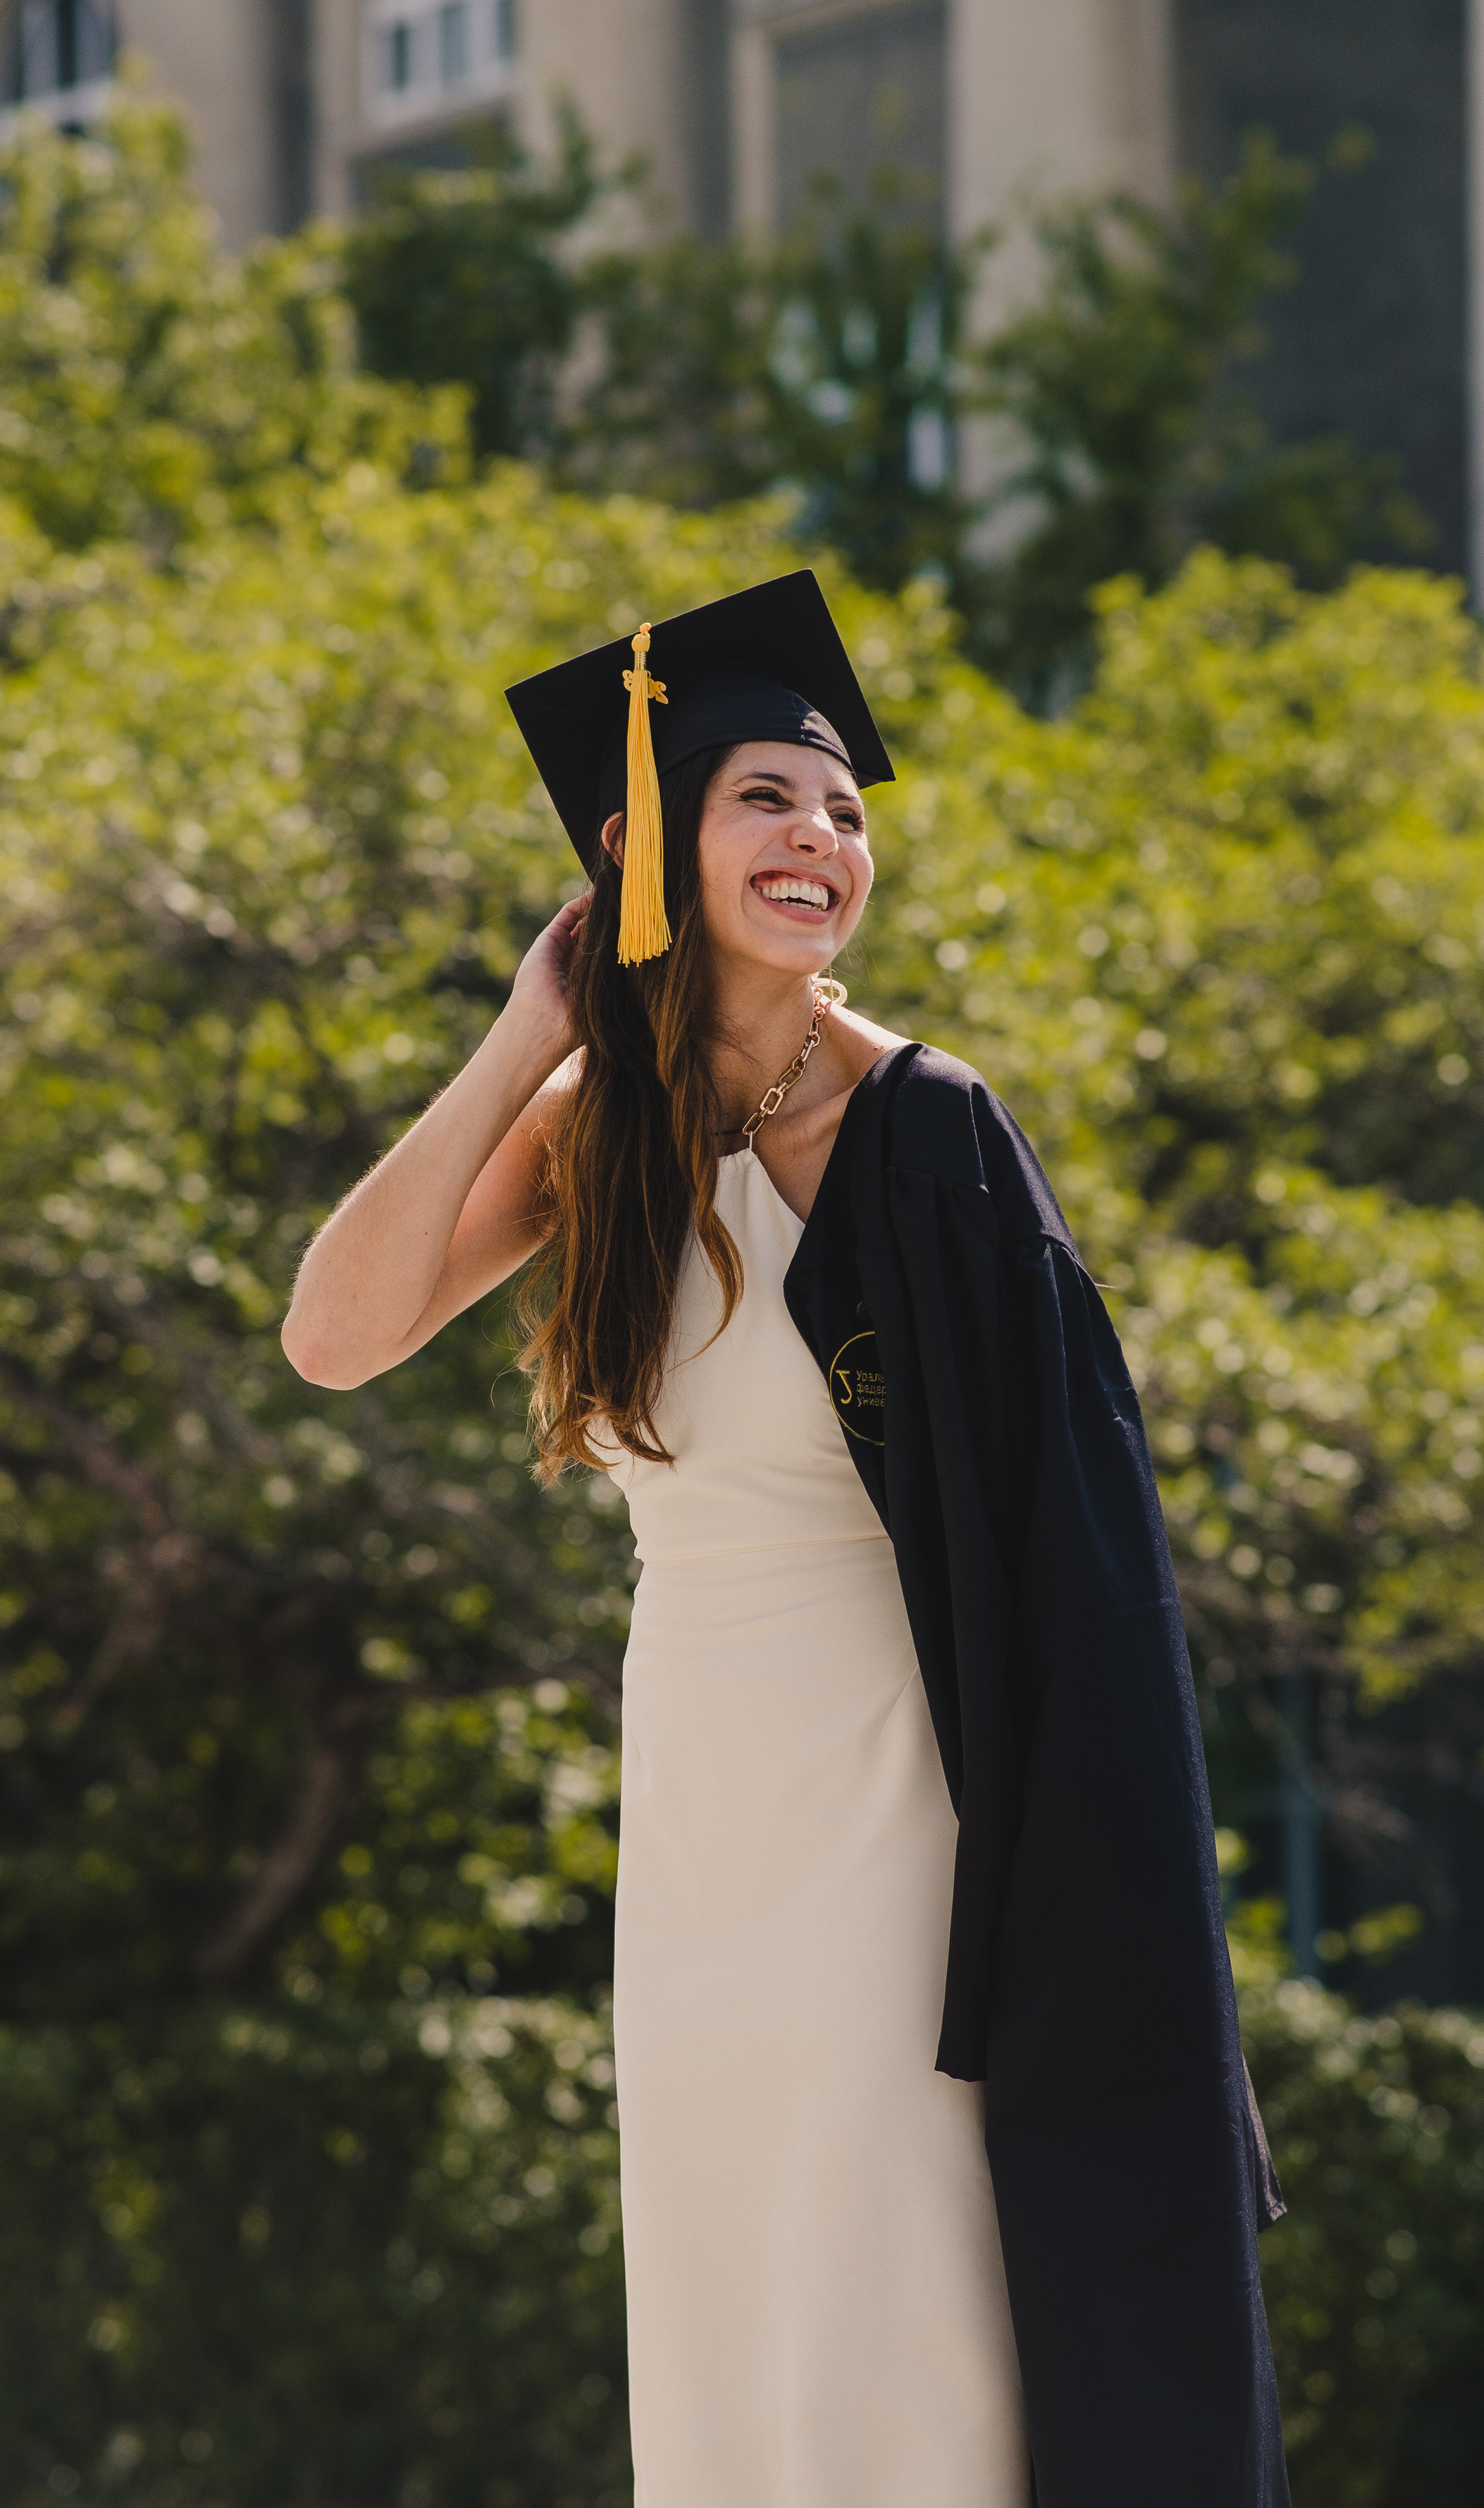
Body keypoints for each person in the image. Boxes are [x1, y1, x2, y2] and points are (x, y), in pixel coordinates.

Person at [282, 573, 1288, 2508]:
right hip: (705, 1803)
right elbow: (335, 1336)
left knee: (886, 2286)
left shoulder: (928, 1130)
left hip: (899, 1796)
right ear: (640, 840)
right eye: (766, 799)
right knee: (736, 2291)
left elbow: (1077, 1558)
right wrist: (524, 1037)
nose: (822, 840)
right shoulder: (610, 1129)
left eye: (841, 811)